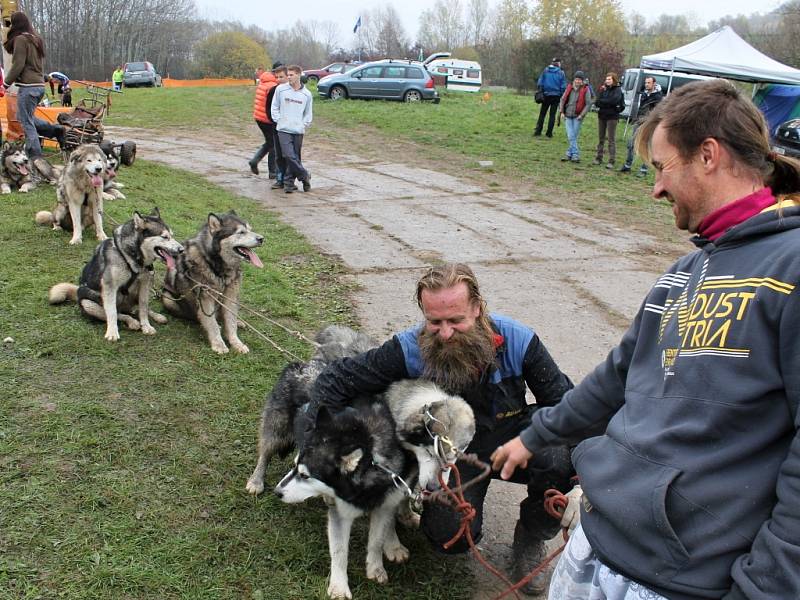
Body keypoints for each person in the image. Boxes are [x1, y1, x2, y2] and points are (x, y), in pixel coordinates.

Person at [492, 79, 800, 599]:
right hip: (597, 540)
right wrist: (534, 434)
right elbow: (615, 378)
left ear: (708, 155)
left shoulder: (789, 268)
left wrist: (764, 588)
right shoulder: (685, 270)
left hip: (680, 579)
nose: (654, 188)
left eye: (661, 168)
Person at [309, 263, 575, 594]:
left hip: (514, 441)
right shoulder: (409, 348)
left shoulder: (519, 341)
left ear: (477, 309)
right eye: (435, 322)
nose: (445, 333)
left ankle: (531, 538)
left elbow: (570, 407)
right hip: (450, 457)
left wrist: (583, 482)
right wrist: (325, 441)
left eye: (456, 321)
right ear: (424, 313)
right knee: (449, 538)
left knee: (561, 459)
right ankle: (459, 512)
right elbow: (336, 379)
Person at [3, 11, 55, 181]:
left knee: (26, 123)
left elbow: (18, 65)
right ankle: (57, 130)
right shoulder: (35, 39)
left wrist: (5, 84)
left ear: (16, 24)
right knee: (26, 117)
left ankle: (35, 159)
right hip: (38, 86)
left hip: (29, 87)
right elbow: (37, 65)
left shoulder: (20, 39)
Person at [270, 65, 312, 194]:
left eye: (291, 75)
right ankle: (304, 175)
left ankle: (289, 183)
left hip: (298, 130)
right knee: (288, 155)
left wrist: (303, 124)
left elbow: (308, 113)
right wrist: (279, 119)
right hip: (283, 129)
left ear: (299, 75)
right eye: (288, 75)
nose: (289, 77)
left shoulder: (307, 94)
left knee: (295, 157)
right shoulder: (281, 90)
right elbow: (275, 107)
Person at [620, 75, 663, 176]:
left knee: (645, 146)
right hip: (639, 122)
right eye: (645, 83)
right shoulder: (644, 94)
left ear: (654, 84)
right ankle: (627, 165)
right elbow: (641, 109)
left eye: (648, 83)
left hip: (649, 125)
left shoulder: (658, 97)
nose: (646, 84)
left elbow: (657, 113)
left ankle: (644, 169)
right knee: (631, 144)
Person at [248, 64, 285, 177]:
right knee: (273, 144)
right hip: (267, 119)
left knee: (270, 142)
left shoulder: (264, 80)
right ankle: (272, 171)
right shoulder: (274, 85)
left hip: (259, 117)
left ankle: (257, 161)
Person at [559, 71, 594, 163]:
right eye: (576, 79)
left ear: (582, 81)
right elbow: (563, 99)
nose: (578, 81)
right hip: (567, 115)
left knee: (573, 136)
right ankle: (574, 154)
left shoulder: (586, 89)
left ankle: (570, 154)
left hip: (578, 116)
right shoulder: (569, 87)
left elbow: (588, 103)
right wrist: (561, 112)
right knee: (571, 136)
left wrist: (581, 115)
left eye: (579, 80)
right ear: (574, 79)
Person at [592, 72, 625, 169]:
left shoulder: (618, 90)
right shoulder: (603, 89)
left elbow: (614, 100)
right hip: (602, 115)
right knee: (601, 138)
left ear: (614, 80)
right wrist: (606, 102)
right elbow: (597, 101)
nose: (607, 81)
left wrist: (605, 102)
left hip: (612, 117)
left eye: (609, 79)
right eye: (606, 79)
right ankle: (599, 157)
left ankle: (611, 160)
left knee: (611, 139)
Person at [534, 58, 567, 138]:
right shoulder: (561, 73)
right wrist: (562, 95)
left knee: (542, 114)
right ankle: (549, 133)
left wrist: (541, 90)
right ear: (558, 64)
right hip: (556, 96)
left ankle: (538, 131)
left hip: (546, 95)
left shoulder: (546, 70)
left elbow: (540, 82)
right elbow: (563, 86)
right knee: (552, 115)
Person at [268, 64, 289, 189]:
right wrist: (276, 122)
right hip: (276, 128)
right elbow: (269, 110)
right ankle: (279, 178)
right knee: (279, 155)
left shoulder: (292, 91)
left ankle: (290, 179)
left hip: (290, 128)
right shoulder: (273, 91)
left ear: (288, 77)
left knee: (290, 155)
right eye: (277, 77)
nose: (278, 79)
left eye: (281, 77)